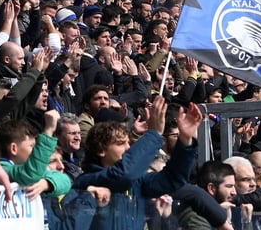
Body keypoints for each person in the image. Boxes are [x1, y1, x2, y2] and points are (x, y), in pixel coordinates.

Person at [71, 96, 203, 229]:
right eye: (120, 143)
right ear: (101, 149)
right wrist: (154, 134)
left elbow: (174, 179)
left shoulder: (138, 181)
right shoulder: (86, 181)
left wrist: (185, 141)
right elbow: (123, 175)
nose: (128, 148)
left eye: (128, 142)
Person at [175, 160, 237, 229]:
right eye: (229, 186)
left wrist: (246, 221)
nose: (234, 192)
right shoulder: (196, 217)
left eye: (234, 186)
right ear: (211, 188)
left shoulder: (227, 210)